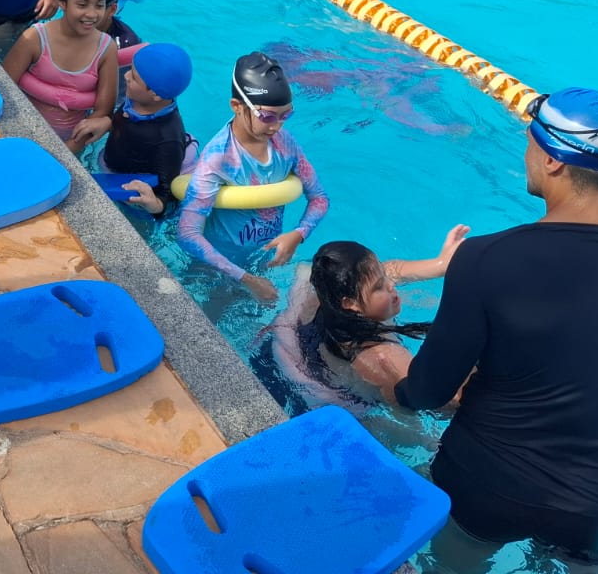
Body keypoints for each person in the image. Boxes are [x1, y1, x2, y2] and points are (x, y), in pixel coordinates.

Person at [395, 87, 598, 572]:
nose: (526, 155)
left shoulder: (485, 259)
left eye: (530, 144)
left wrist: (395, 389)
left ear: (554, 161)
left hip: (483, 485)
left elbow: (428, 390)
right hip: (591, 504)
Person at [177, 53, 331, 304]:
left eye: (285, 116)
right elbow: (187, 233)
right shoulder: (219, 159)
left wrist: (298, 234)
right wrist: (247, 279)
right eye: (268, 116)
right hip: (216, 268)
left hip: (262, 261)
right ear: (237, 106)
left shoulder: (285, 144)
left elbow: (320, 198)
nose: (276, 126)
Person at [270, 227, 469, 408]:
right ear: (350, 303)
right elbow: (447, 402)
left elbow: (391, 269)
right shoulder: (382, 355)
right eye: (379, 287)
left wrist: (440, 264)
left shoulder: (327, 297)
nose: (390, 286)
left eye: (383, 277)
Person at [5, 0, 119, 152]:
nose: (92, 14)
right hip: (21, 131)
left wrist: (67, 150)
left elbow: (102, 112)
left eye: (99, 5)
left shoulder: (106, 48)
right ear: (62, 3)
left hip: (71, 141)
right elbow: (4, 88)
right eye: (82, 4)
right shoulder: (35, 38)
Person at [99, 42, 196, 216]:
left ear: (156, 95)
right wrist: (108, 123)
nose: (126, 76)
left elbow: (169, 193)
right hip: (112, 171)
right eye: (130, 69)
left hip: (136, 196)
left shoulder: (166, 139)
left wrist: (155, 205)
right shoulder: (139, 102)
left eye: (134, 77)